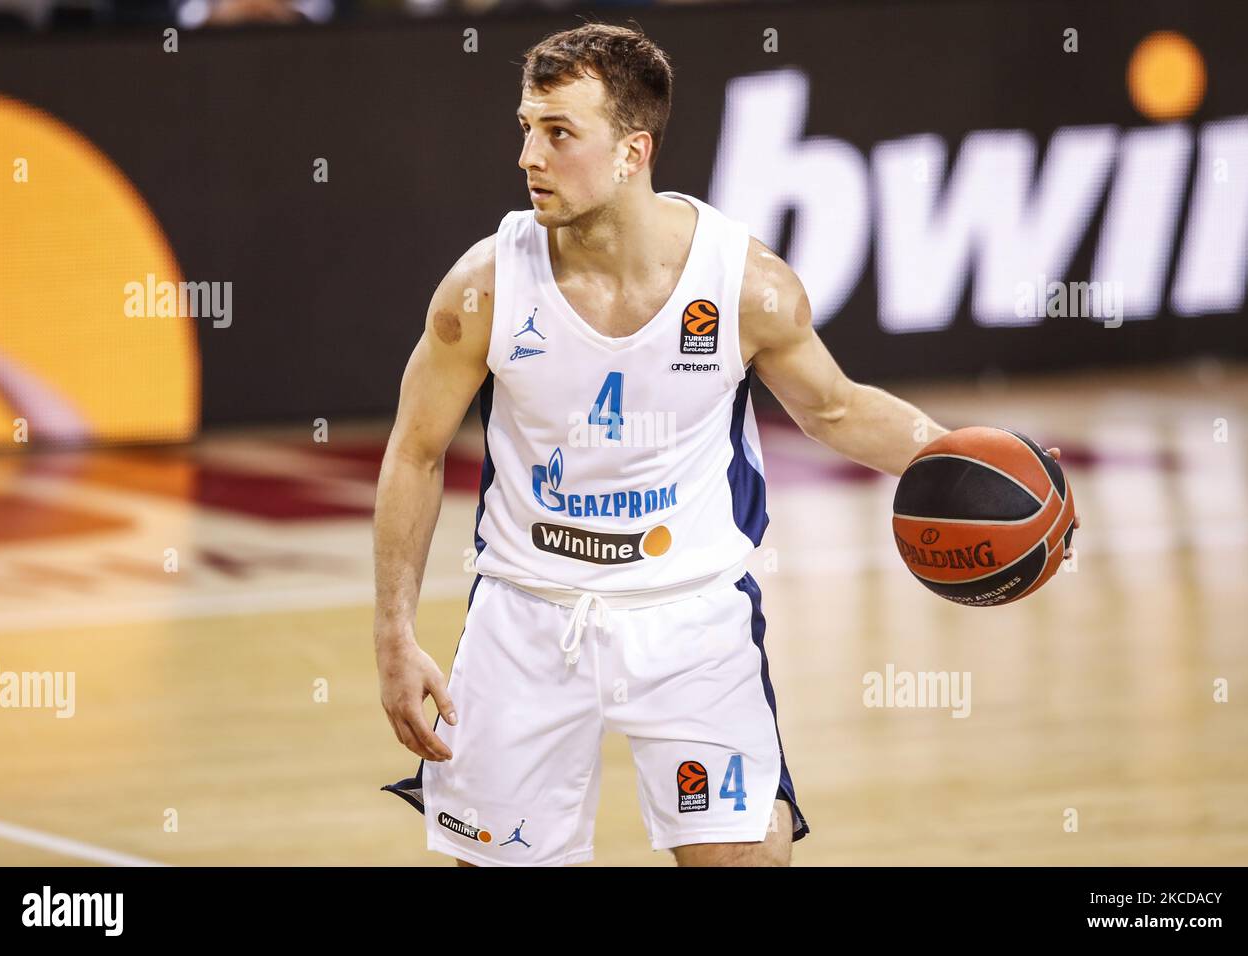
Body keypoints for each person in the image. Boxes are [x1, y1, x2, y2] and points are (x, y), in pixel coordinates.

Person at [375, 22, 1071, 867]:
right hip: (526, 614)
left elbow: (837, 410)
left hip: (694, 618)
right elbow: (413, 451)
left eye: (559, 133)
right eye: (526, 126)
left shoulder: (745, 287)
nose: (530, 154)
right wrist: (395, 635)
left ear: (633, 152)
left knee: (745, 863)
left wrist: (986, 464)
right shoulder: (484, 286)